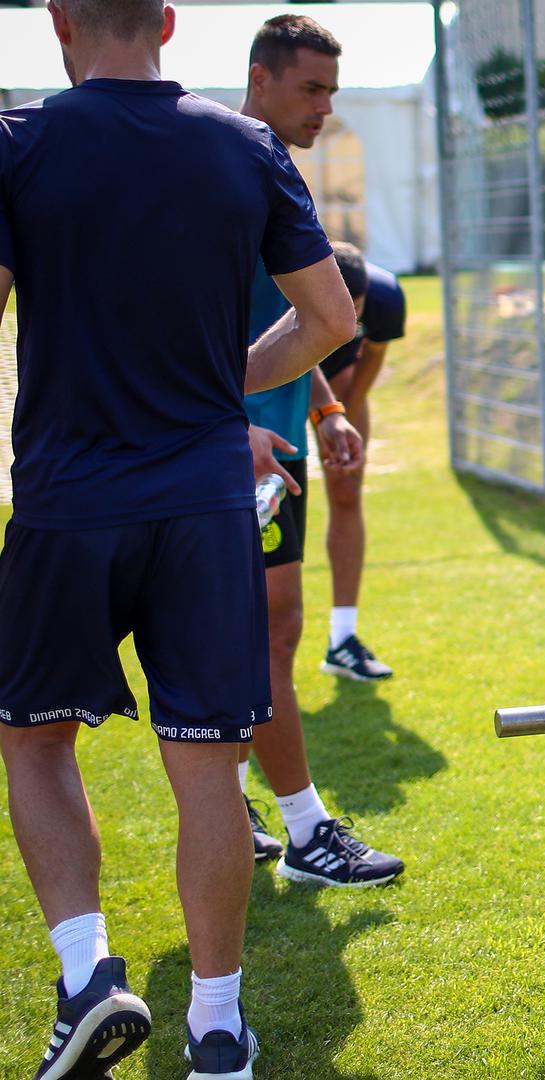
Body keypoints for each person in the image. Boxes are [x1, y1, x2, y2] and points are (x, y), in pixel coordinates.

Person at [0, 0, 356, 1075]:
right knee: (209, 770)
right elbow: (332, 319)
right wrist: (213, 389)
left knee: (34, 740)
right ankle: (215, 1028)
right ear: (165, 18)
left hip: (67, 499)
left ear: (59, 17)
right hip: (206, 502)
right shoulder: (244, 145)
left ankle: (89, 973)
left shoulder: (16, 144)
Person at [237, 13, 404, 887]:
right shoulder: (221, 175)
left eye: (333, 93)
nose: (325, 109)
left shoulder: (275, 179)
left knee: (270, 631)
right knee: (258, 637)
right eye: (311, 89)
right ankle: (305, 831)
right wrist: (227, 426)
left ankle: (242, 802)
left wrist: (328, 408)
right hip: (227, 455)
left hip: (275, 452)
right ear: (259, 78)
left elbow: (297, 330)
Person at [317, 259, 406, 682]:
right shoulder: (288, 290)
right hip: (282, 364)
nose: (351, 321)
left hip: (343, 376)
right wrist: (324, 409)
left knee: (347, 490)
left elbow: (372, 358)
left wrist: (343, 414)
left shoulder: (387, 299)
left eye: (357, 313)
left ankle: (342, 639)